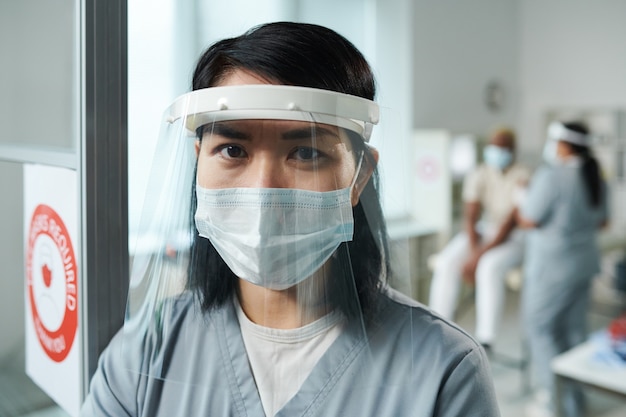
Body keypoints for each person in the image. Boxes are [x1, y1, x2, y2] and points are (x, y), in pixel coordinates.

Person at [80, 22, 500, 417]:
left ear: (359, 177)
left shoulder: (443, 372)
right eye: (232, 150)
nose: (263, 191)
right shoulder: (145, 352)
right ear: (198, 163)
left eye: (305, 152)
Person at [518, 121, 609, 417]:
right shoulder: (596, 177)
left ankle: (554, 400)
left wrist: (521, 198)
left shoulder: (552, 176)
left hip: (553, 268)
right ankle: (575, 401)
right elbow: (602, 221)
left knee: (541, 328)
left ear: (565, 144)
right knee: (573, 331)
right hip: (583, 265)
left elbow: (529, 219)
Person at [428, 128, 530, 350]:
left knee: (488, 266)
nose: (496, 151)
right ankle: (437, 325)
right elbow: (470, 216)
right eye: (493, 146)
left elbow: (510, 224)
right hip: (487, 229)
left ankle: (486, 339)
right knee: (446, 262)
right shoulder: (480, 172)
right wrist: (474, 249)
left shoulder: (523, 176)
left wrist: (478, 257)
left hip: (514, 236)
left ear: (512, 150)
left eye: (502, 147)